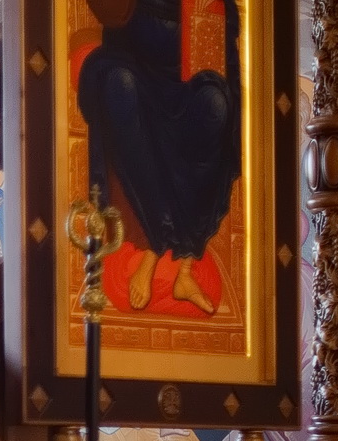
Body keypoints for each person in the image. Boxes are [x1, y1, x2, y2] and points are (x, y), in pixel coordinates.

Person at [75, 0, 241, 316]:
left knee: (216, 105)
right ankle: (153, 248)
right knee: (118, 85)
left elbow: (224, 38)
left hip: (188, 83)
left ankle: (185, 271)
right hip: (134, 69)